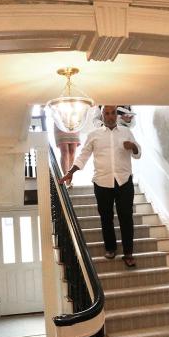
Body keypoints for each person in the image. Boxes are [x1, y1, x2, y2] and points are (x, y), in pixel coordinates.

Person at [61, 105, 141, 268]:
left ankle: (128, 253)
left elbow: (138, 153)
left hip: (124, 182)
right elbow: (83, 156)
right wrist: (71, 172)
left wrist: (132, 147)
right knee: (106, 218)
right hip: (102, 183)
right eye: (107, 113)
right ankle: (110, 248)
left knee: (126, 218)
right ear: (102, 115)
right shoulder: (94, 135)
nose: (110, 116)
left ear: (116, 115)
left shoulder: (126, 132)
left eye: (112, 113)